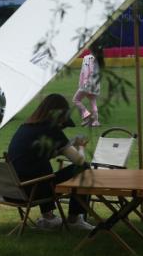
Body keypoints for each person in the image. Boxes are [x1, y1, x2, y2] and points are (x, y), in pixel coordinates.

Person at [7, 93, 94, 231]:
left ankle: (48, 217)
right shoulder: (51, 129)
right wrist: (81, 146)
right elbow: (79, 161)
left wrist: (59, 150)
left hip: (13, 189)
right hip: (32, 191)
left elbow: (35, 157)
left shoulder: (26, 126)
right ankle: (74, 219)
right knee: (84, 170)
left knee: (43, 166)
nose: (61, 127)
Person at [73, 42, 104, 127]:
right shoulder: (100, 60)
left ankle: (86, 115)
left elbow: (86, 71)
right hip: (96, 85)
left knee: (76, 100)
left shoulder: (88, 58)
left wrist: (85, 82)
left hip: (87, 84)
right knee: (93, 102)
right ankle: (95, 121)